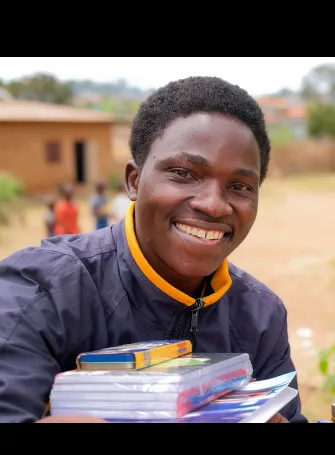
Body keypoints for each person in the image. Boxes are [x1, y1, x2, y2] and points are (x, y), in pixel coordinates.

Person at [0, 76, 306, 423]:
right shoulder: (40, 292)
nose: (213, 204)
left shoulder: (260, 316)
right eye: (184, 173)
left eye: (239, 186)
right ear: (134, 181)